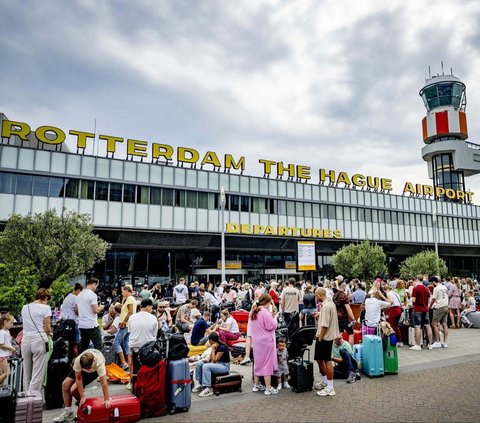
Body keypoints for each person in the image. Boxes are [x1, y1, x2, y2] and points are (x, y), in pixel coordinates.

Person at [53, 349, 111, 422]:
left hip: (94, 370)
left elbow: (103, 383)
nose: (88, 369)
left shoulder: (99, 363)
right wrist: (82, 396)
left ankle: (84, 407)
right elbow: (79, 378)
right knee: (65, 384)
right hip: (81, 366)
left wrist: (106, 399)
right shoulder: (78, 361)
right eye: (86, 368)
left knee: (73, 390)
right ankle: (68, 413)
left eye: (89, 368)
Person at [21, 288, 52, 392]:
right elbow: (47, 327)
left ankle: (25, 398)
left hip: (25, 340)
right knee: (37, 373)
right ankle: (32, 398)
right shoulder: (46, 308)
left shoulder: (25, 307)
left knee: (27, 372)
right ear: (45, 298)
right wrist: (50, 333)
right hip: (39, 339)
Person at [314, 287, 340, 397]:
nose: (316, 298)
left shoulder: (326, 306)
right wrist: (319, 316)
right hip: (327, 336)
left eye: (316, 296)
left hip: (325, 337)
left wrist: (320, 337)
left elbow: (325, 325)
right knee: (321, 359)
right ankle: (326, 382)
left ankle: (330, 387)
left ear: (320, 295)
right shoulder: (330, 304)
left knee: (327, 360)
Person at [250, 294, 278, 396]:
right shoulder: (265, 312)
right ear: (267, 302)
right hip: (266, 341)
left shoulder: (254, 311)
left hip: (257, 342)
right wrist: (275, 318)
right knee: (267, 364)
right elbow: (272, 326)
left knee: (258, 363)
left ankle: (256, 386)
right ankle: (268, 388)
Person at [192, 331, 231, 397]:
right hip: (218, 364)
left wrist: (213, 349)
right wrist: (203, 360)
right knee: (199, 363)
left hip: (224, 366)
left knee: (206, 367)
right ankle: (200, 383)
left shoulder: (222, 347)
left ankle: (209, 388)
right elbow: (209, 359)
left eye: (208, 340)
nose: (208, 342)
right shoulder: (214, 345)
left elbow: (214, 360)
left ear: (211, 340)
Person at [76, 278, 104, 352]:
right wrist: (101, 307)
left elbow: (76, 310)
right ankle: (99, 363)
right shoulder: (92, 295)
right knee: (98, 346)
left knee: (84, 347)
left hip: (82, 325)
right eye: (96, 286)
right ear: (94, 284)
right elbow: (95, 310)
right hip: (92, 324)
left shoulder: (79, 295)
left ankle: (81, 362)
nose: (96, 288)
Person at [114, 284, 136, 371]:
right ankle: (129, 363)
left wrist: (123, 321)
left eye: (123, 291)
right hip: (128, 325)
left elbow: (130, 312)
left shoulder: (130, 299)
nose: (122, 292)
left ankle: (123, 363)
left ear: (127, 291)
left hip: (125, 325)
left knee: (116, 342)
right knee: (126, 344)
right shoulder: (129, 299)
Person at [240, 288, 263, 365]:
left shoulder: (256, 303)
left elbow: (252, 314)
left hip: (253, 322)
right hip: (258, 323)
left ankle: (247, 356)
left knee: (249, 338)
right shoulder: (263, 303)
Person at [60, 283, 83, 358]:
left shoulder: (67, 297)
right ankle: (76, 362)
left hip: (66, 322)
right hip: (74, 322)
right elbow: (77, 311)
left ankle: (69, 361)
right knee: (76, 344)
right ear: (78, 290)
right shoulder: (75, 298)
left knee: (69, 344)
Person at [410, 276, 433, 350]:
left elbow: (413, 300)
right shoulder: (426, 288)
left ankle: (418, 345)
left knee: (418, 327)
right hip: (425, 309)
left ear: (416, 279)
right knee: (428, 326)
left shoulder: (415, 288)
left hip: (418, 309)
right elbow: (429, 299)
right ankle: (430, 344)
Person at [333, 282, 356, 346]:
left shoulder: (335, 295)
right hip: (344, 318)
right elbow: (348, 309)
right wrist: (353, 318)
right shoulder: (344, 296)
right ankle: (350, 351)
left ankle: (336, 349)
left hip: (337, 317)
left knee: (340, 333)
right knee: (351, 334)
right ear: (344, 286)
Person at [429, 276, 449, 348]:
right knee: (444, 324)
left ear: (434, 281)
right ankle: (445, 342)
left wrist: (429, 306)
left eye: (431, 282)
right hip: (446, 306)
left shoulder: (436, 288)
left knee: (434, 324)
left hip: (439, 307)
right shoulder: (444, 287)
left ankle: (438, 342)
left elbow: (434, 299)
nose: (431, 284)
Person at [0, 313, 16, 385]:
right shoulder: (2, 332)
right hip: (2, 356)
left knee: (3, 374)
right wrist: (11, 348)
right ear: (5, 322)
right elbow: (1, 344)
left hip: (4, 355)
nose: (12, 324)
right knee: (6, 373)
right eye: (11, 322)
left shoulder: (7, 332)